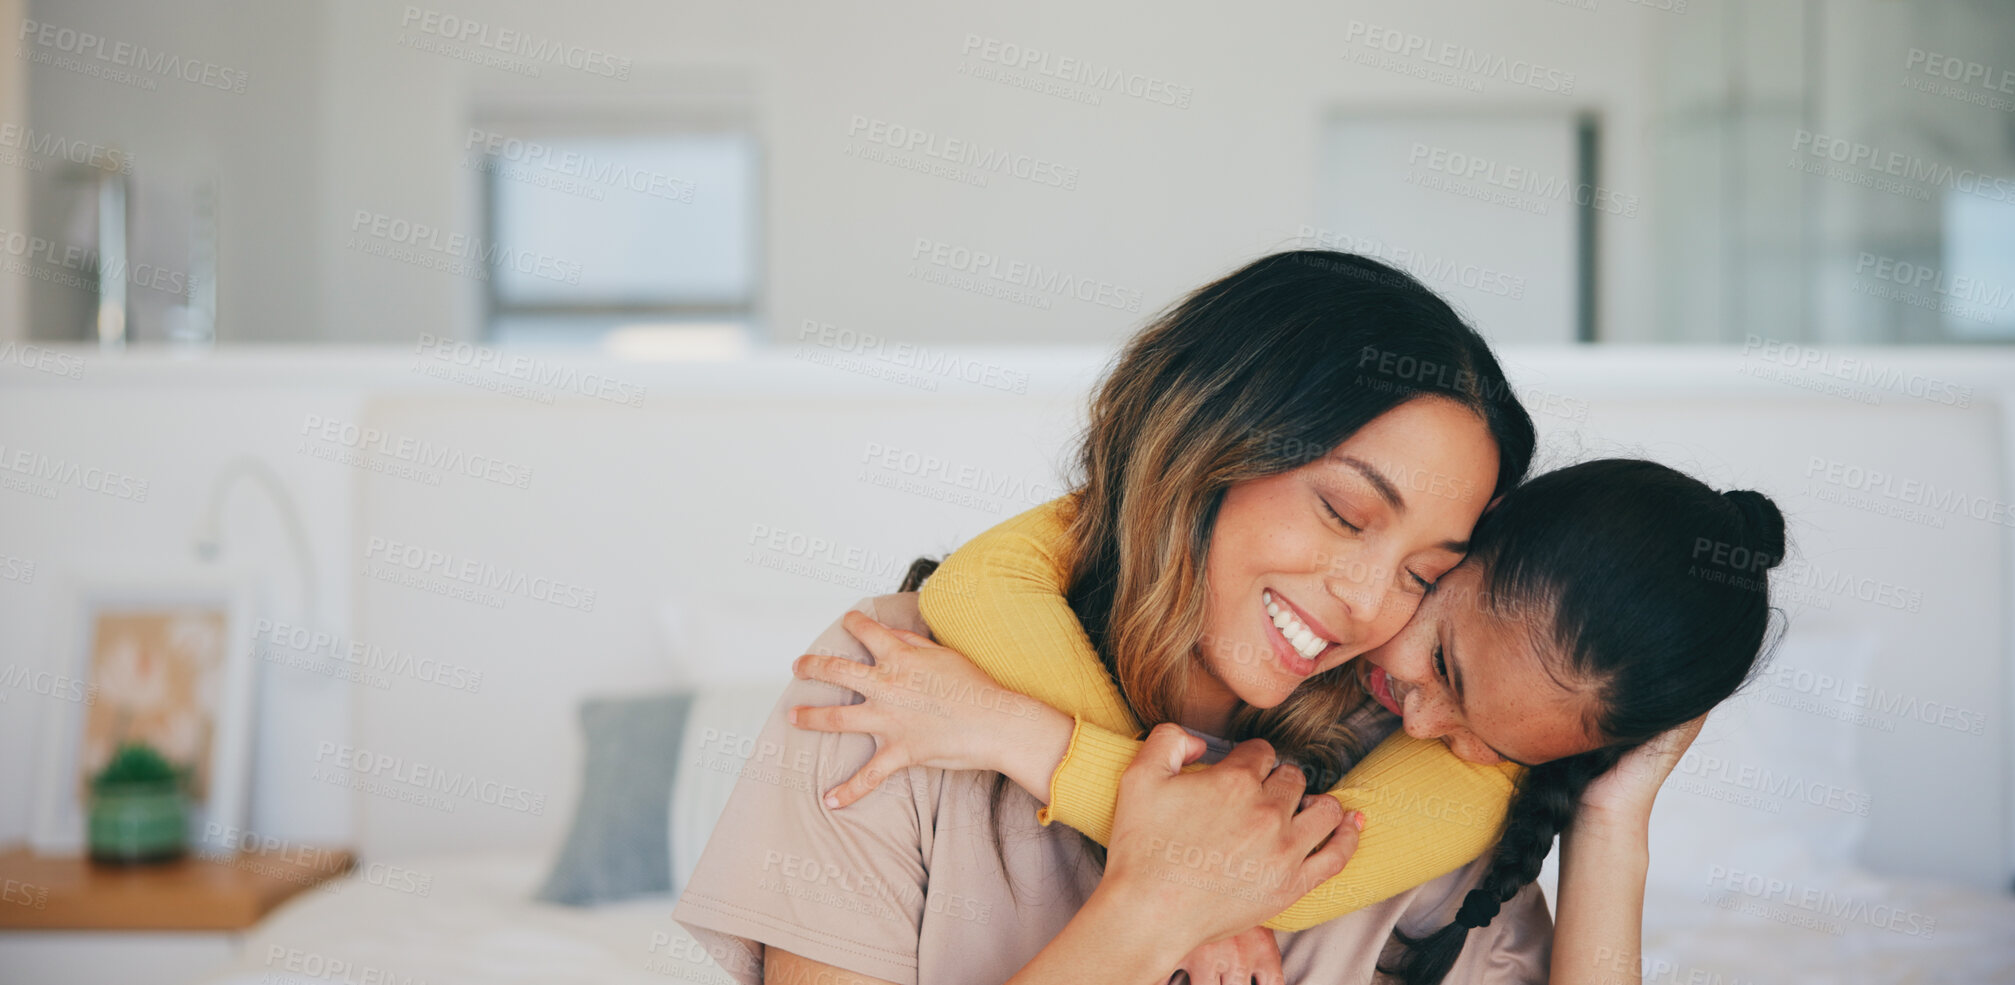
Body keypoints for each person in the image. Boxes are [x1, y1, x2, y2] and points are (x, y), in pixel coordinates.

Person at [673, 250, 1784, 984]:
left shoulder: (1416, 774)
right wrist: (1160, 906)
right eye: (1344, 511)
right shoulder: (894, 689)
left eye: (1420, 574)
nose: (1360, 602)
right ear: (1203, 441)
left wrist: (1610, 821)